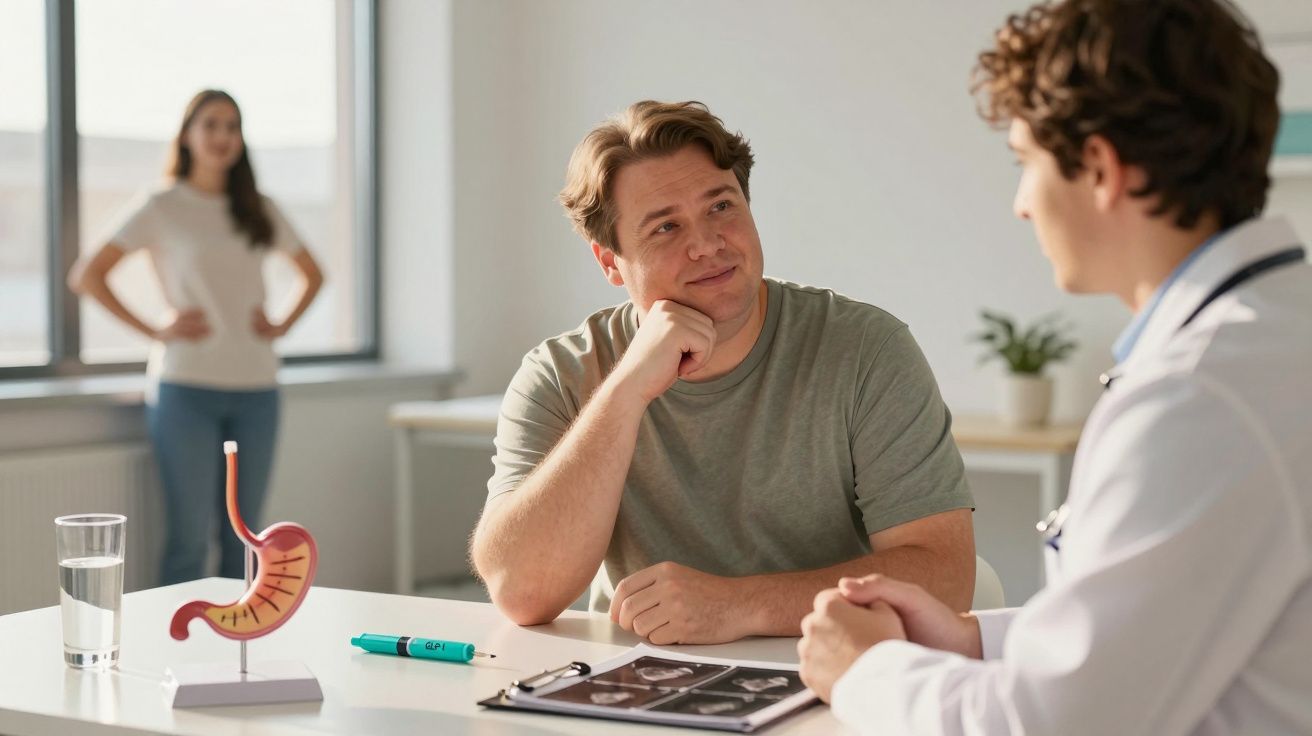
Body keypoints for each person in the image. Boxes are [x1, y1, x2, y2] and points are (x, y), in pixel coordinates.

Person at [797, 1, 1312, 733]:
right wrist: (974, 640)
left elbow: (1052, 724)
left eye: (1025, 163)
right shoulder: (1267, 346)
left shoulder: (1200, 400)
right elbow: (1157, 634)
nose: (1021, 205)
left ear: (1100, 170)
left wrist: (865, 671)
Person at [470, 100, 976, 644]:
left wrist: (741, 606)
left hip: (827, 671)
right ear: (610, 262)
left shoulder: (867, 350)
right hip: (637, 683)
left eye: (721, 207)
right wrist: (627, 388)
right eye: (665, 227)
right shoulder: (561, 373)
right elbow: (522, 591)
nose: (708, 244)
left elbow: (946, 577)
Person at [69, 90, 324, 585]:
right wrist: (154, 329)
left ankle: (240, 656)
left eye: (233, 126)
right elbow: (88, 275)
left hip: (257, 391)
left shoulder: (259, 208)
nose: (223, 137)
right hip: (185, 389)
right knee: (187, 539)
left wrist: (281, 325)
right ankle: (179, 655)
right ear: (187, 135)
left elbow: (313, 274)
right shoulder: (162, 204)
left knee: (246, 540)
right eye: (211, 125)